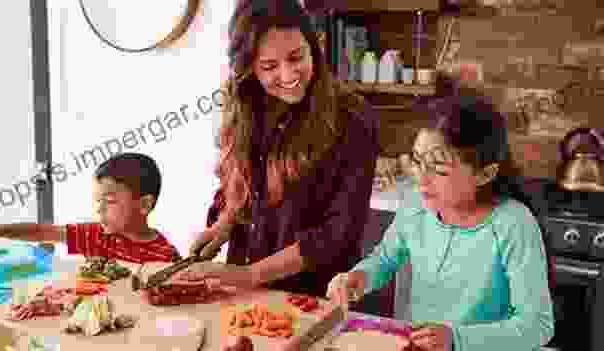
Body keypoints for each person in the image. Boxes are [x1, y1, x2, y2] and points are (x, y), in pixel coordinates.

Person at [327, 75, 555, 351]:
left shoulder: (513, 224)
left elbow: (537, 325)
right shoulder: (416, 204)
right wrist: (358, 277)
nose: (421, 179)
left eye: (438, 168)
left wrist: (456, 340)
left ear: (485, 173)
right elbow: (386, 258)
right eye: (417, 161)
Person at [174, 0, 381, 298]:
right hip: (244, 293)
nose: (287, 75)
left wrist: (250, 274)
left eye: (297, 57)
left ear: (315, 47)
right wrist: (224, 224)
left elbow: (337, 233)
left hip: (313, 296)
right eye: (269, 66)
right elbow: (244, 184)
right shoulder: (245, 104)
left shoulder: (353, 119)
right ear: (248, 68)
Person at [0, 152, 181, 264]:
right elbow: (43, 232)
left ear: (144, 205)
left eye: (110, 201)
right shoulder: (96, 235)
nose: (99, 210)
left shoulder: (166, 256)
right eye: (98, 201)